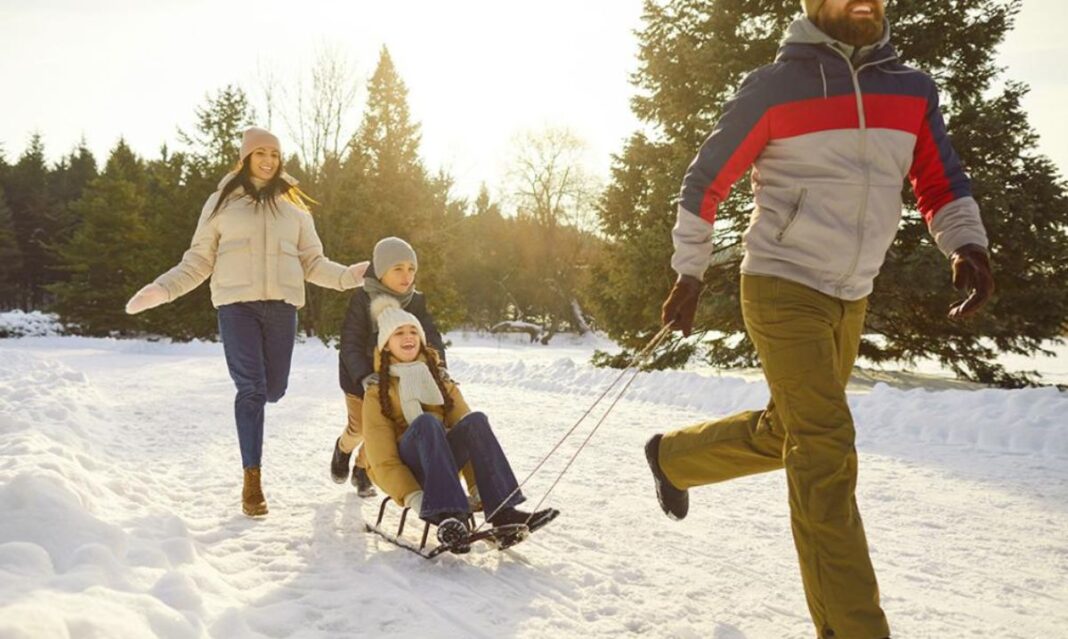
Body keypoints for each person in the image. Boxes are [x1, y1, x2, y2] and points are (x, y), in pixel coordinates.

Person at [646, 2, 994, 638]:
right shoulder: (776, 86)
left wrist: (966, 244)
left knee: (794, 431)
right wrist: (689, 271)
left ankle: (675, 459)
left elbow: (940, 179)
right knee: (825, 452)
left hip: (850, 291)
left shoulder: (911, 91)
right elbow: (705, 181)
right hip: (782, 283)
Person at [125, 127, 368, 518]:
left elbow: (313, 263)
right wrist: (162, 289)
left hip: (282, 309)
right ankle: (252, 479)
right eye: (260, 153)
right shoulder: (220, 204)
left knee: (274, 389)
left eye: (274, 153)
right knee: (251, 390)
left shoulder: (295, 210)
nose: (269, 160)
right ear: (245, 158)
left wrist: (348, 277)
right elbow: (199, 260)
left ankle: (257, 440)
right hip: (236, 308)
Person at [362, 297, 558, 551]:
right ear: (386, 345)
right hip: (408, 466)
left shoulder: (439, 379)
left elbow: (468, 432)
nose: (407, 337)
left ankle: (502, 512)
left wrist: (477, 490)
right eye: (398, 333)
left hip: (441, 463)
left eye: (413, 331)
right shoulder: (377, 390)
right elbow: (381, 458)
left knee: (475, 421)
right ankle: (449, 516)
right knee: (427, 423)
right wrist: (415, 497)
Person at [330, 237, 447, 498]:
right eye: (398, 269)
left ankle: (363, 469)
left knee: (384, 430)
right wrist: (362, 375)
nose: (407, 276)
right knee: (360, 427)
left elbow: (431, 336)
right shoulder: (362, 299)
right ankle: (343, 448)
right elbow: (350, 342)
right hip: (360, 377)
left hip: (396, 377)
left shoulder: (415, 301)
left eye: (411, 269)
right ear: (381, 271)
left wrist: (440, 367)